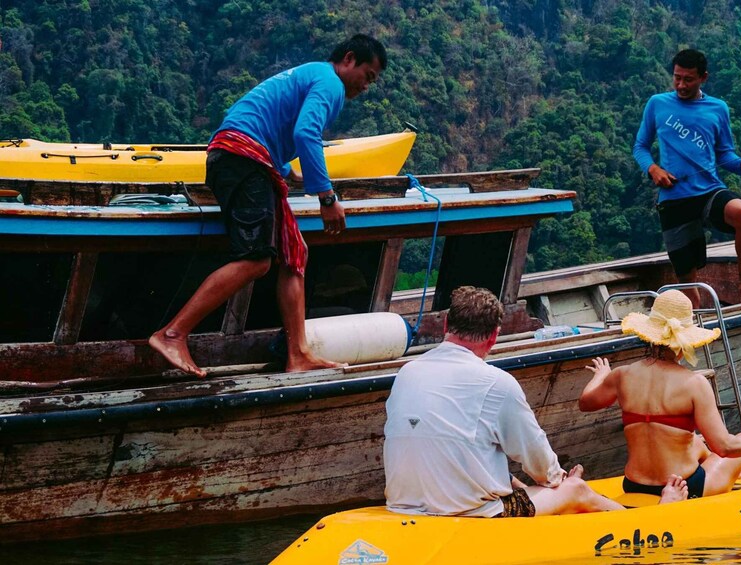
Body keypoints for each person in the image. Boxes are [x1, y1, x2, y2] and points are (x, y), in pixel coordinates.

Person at [150, 34, 386, 378]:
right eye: (368, 76)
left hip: (245, 157)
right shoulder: (330, 82)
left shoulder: (312, 74)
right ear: (349, 59)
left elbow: (266, 123)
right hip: (242, 157)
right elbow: (306, 134)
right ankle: (172, 334)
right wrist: (326, 197)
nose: (367, 87)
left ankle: (298, 353)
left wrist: (290, 174)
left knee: (294, 253)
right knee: (256, 260)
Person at [383, 286, 685, 517]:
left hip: (403, 507)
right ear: (494, 337)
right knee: (575, 489)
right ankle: (659, 516)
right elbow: (537, 459)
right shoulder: (496, 383)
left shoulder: (406, 373)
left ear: (446, 323)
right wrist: (560, 482)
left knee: (508, 475)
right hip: (472, 515)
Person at [578, 289, 741, 501]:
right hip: (686, 487)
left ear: (650, 337)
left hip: (634, 484)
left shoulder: (622, 375)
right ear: (685, 343)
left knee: (696, 442)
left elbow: (585, 403)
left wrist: (601, 375)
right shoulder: (694, 383)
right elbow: (724, 446)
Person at [632, 48, 741, 307]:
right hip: (674, 199)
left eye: (688, 79)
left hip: (708, 191)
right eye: (677, 78)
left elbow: (724, 154)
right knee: (690, 295)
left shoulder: (718, 109)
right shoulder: (657, 104)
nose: (681, 85)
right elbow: (640, 146)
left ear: (703, 78)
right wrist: (653, 169)